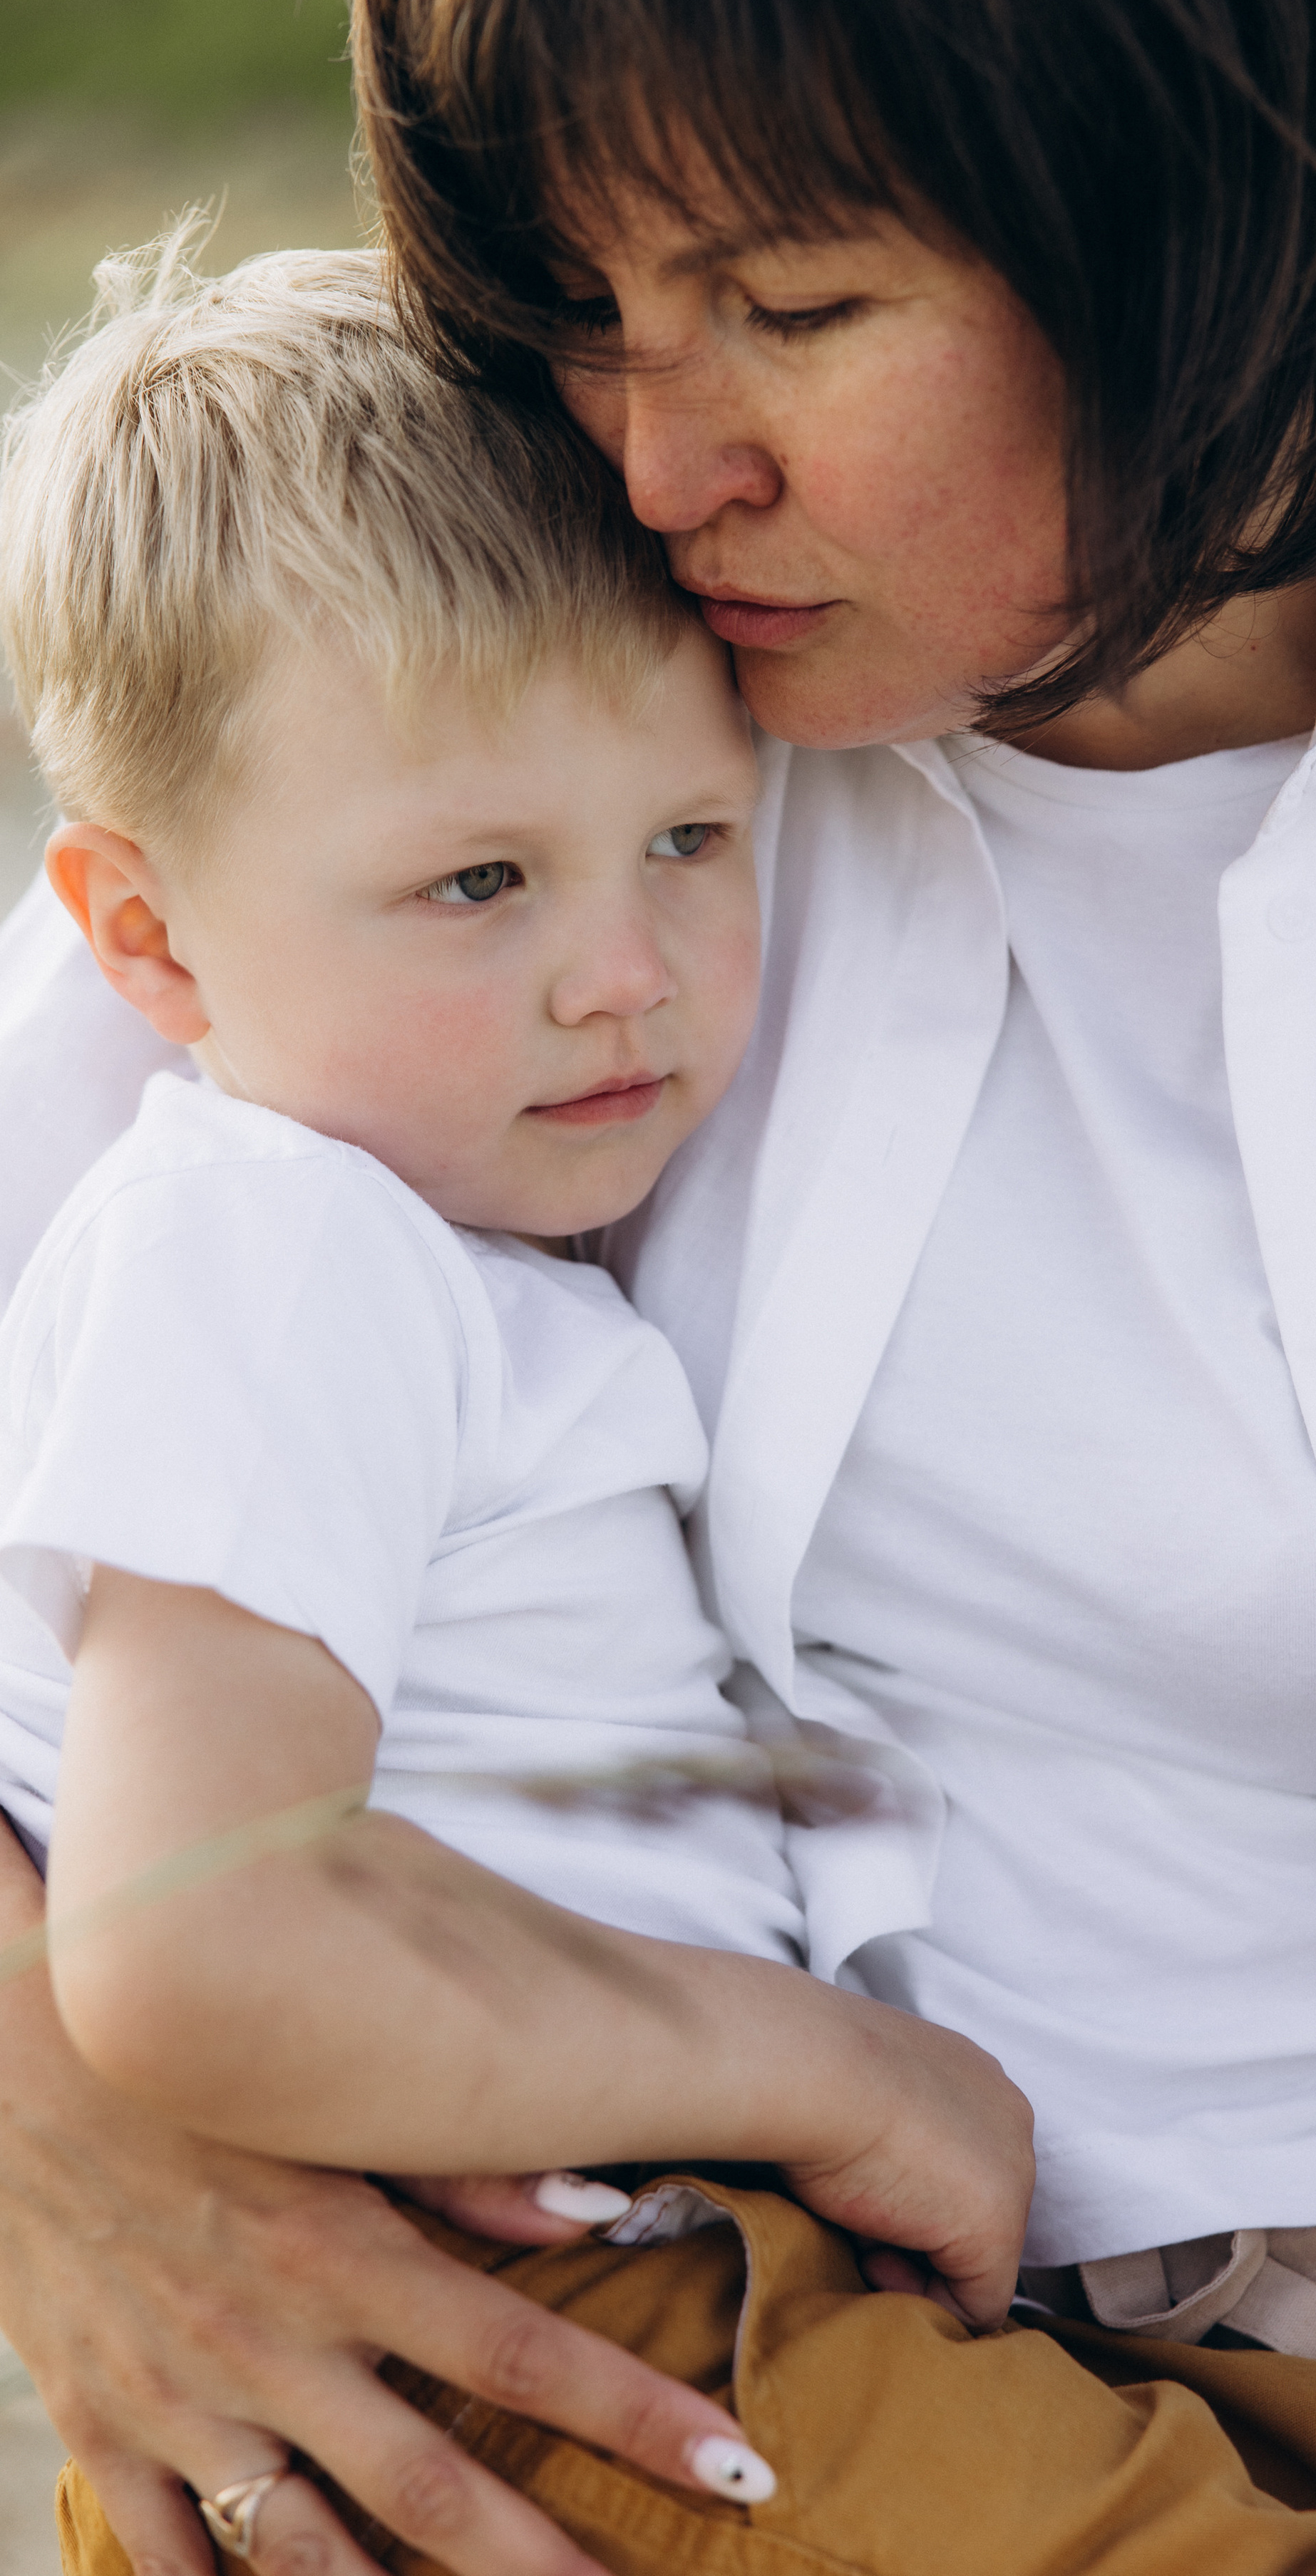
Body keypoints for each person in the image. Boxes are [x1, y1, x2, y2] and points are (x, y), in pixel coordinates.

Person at [1, 0, 1316, 2568]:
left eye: (797, 307)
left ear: (1217, 207)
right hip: (704, 2321)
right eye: (583, 305)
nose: (651, 450)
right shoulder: (546, 684)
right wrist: (54, 2143)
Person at [0, 237, 1041, 2550]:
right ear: (148, 943)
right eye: (479, 881)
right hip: (522, 2335)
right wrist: (846, 2075)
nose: (620, 977)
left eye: (688, 839)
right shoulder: (274, 1248)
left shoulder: (416, 1250)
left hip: (612, 2308)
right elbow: (192, 1936)